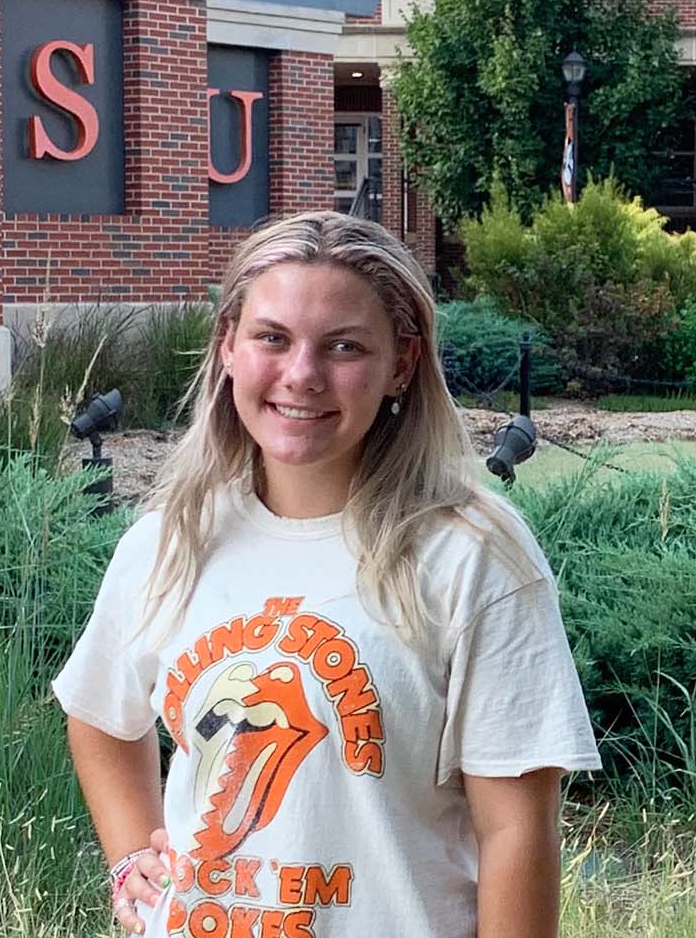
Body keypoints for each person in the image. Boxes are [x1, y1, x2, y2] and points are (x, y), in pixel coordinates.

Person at [52, 211, 600, 938]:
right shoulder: (169, 540)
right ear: (228, 346)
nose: (302, 375)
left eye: (344, 346)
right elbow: (97, 713)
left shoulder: (473, 555)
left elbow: (516, 832)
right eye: (272, 338)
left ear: (402, 363)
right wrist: (130, 858)